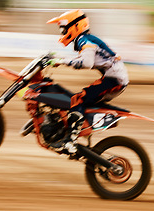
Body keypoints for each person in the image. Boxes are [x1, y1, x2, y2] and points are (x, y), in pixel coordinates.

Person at [46, 9, 129, 153]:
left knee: (77, 100)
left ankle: (71, 140)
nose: (62, 32)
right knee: (80, 100)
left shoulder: (85, 40)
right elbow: (81, 59)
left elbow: (86, 63)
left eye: (64, 28)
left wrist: (60, 61)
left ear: (76, 26)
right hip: (113, 78)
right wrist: (57, 59)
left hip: (114, 80)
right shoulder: (84, 40)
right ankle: (73, 129)